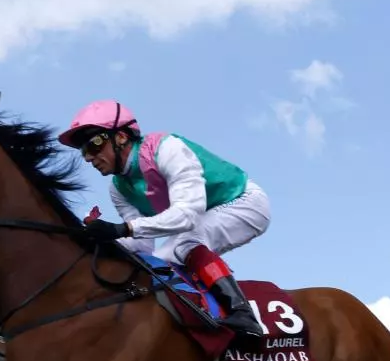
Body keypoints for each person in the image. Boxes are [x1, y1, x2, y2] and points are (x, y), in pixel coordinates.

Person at [57, 99, 271, 339]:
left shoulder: (167, 149)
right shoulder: (118, 189)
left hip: (243, 202)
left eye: (94, 144)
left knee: (186, 243)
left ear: (121, 137)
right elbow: (141, 245)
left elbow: (187, 214)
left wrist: (120, 229)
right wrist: (99, 242)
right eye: (83, 151)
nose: (88, 157)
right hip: (200, 218)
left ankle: (243, 314)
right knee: (159, 263)